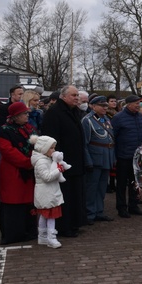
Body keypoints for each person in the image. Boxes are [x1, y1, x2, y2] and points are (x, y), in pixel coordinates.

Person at [41, 85, 87, 236]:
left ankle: (74, 223)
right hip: (62, 162)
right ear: (64, 96)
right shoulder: (54, 113)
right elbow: (51, 139)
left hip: (76, 161)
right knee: (64, 195)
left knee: (75, 194)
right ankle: (63, 226)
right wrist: (57, 160)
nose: (76, 98)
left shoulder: (74, 111)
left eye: (77, 95)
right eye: (73, 95)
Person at [0, 101, 38, 244]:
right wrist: (27, 162)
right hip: (12, 171)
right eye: (24, 113)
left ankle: (29, 231)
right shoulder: (5, 130)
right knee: (13, 201)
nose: (27, 115)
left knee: (28, 201)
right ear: (16, 116)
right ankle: (13, 234)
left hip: (29, 171)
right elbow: (7, 151)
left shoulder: (30, 129)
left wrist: (35, 158)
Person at [111, 94, 142, 217]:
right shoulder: (118, 118)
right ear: (128, 104)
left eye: (139, 103)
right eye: (136, 103)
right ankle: (121, 208)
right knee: (122, 184)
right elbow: (113, 137)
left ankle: (133, 206)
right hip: (123, 156)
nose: (139, 105)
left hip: (137, 156)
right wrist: (115, 156)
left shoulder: (140, 117)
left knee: (135, 183)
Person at [82, 95, 115, 223]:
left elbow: (111, 139)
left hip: (106, 157)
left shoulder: (106, 119)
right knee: (92, 188)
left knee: (101, 188)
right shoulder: (87, 120)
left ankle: (99, 211)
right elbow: (85, 143)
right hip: (95, 158)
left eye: (105, 106)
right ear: (93, 106)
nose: (104, 108)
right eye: (102, 106)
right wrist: (88, 161)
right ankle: (90, 213)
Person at [31, 135, 65, 249]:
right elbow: (46, 177)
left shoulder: (46, 159)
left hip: (48, 191)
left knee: (45, 215)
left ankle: (42, 235)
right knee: (50, 215)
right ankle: (51, 237)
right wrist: (58, 170)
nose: (54, 150)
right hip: (46, 192)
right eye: (51, 148)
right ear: (44, 149)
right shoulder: (41, 162)